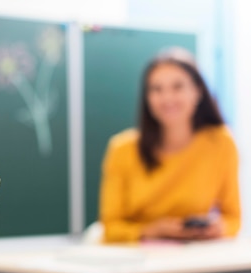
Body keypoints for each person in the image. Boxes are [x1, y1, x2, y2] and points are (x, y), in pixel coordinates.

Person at [98, 47, 241, 243]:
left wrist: (217, 228)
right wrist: (152, 230)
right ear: (147, 97)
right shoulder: (122, 149)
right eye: (157, 89)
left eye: (177, 87)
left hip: (194, 254)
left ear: (197, 91)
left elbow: (233, 219)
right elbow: (110, 228)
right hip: (136, 259)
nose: (167, 98)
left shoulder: (220, 142)